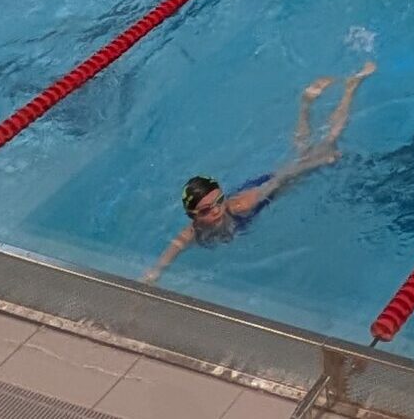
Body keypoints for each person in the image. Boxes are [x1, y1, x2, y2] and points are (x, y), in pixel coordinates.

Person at [144, 64, 375, 283]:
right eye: (206, 209)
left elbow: (281, 178)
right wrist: (154, 274)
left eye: (218, 202)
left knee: (326, 144)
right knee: (302, 151)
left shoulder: (242, 205)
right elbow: (174, 248)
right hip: (270, 184)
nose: (216, 211)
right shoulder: (193, 232)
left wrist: (319, 163)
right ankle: (306, 105)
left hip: (272, 187)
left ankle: (349, 88)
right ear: (192, 214)